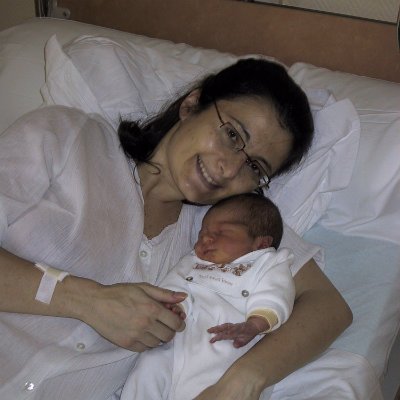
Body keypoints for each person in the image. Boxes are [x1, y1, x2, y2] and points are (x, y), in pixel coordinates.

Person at [0, 58, 352, 400]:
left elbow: (329, 309)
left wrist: (245, 379)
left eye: (254, 167)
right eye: (232, 135)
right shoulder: (71, 138)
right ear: (192, 104)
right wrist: (86, 300)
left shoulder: (226, 231)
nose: (229, 169)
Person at [122, 193, 295, 400]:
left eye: (221, 232)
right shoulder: (192, 261)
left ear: (261, 244)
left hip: (227, 344)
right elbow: (175, 286)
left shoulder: (268, 262)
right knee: (148, 369)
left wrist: (255, 325)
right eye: (201, 233)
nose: (205, 239)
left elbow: (276, 294)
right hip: (178, 342)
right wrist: (175, 307)